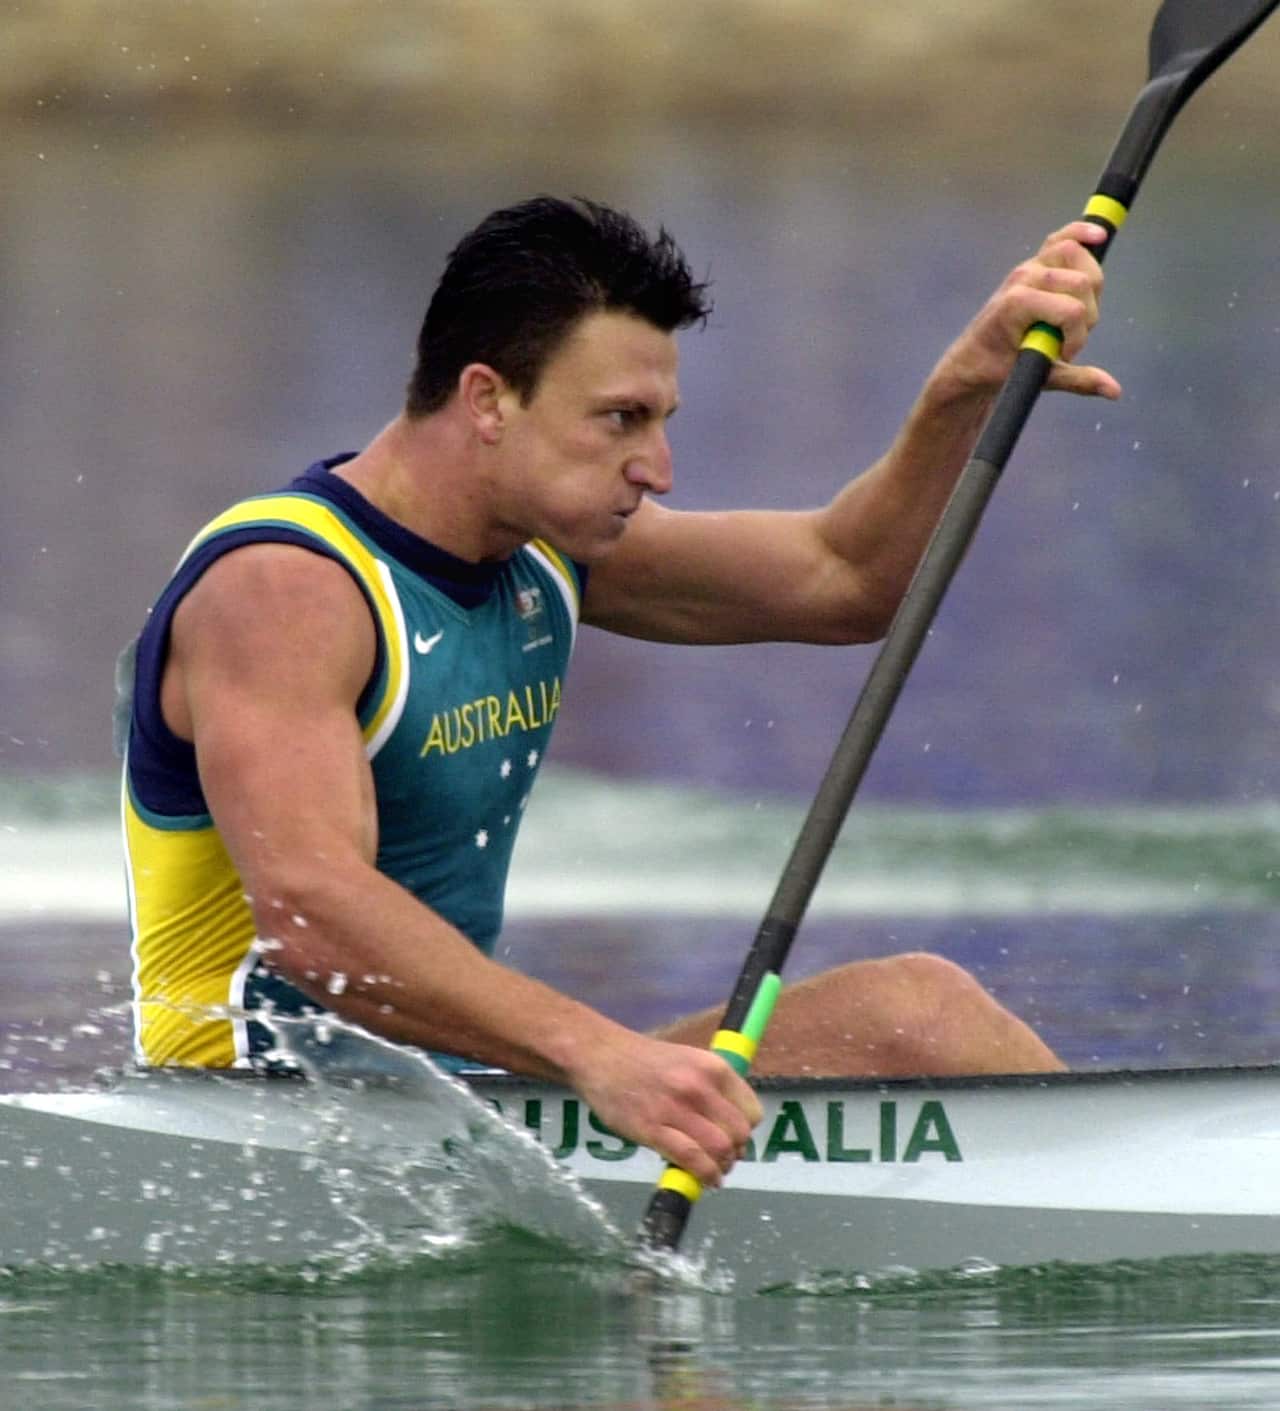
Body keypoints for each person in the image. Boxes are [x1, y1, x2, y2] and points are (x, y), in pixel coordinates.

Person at [118, 195, 1119, 1192]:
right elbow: (313, 912)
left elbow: (846, 579)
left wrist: (967, 386)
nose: (659, 468)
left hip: (452, 1104)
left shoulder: (542, 549)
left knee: (917, 1013)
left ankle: (1132, 1197)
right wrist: (598, 1053)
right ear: (485, 400)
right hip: (248, 1138)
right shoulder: (288, 588)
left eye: (660, 421)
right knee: (914, 1014)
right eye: (619, 421)